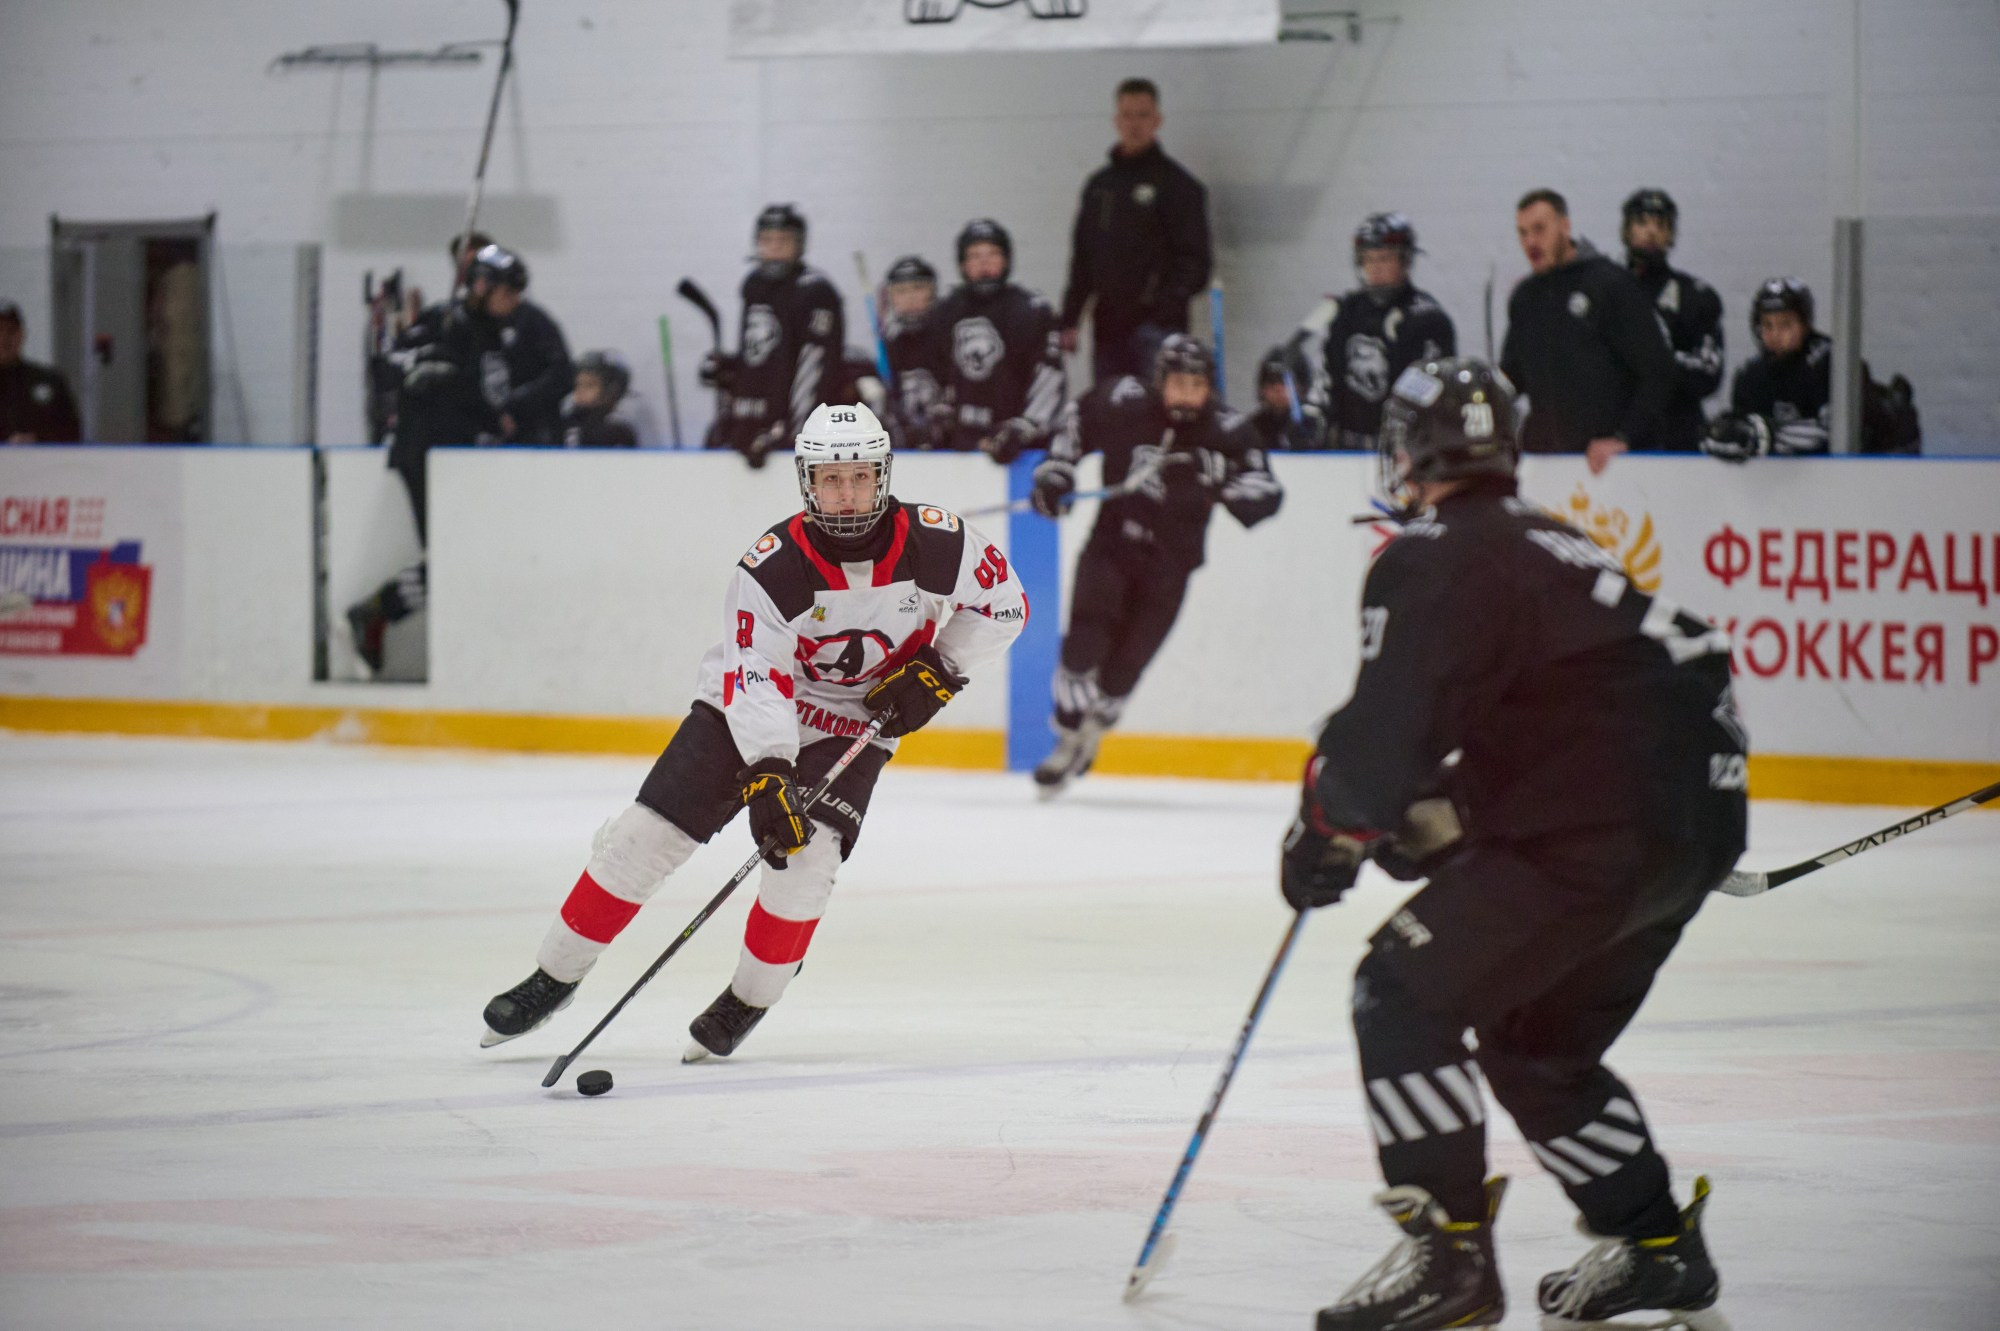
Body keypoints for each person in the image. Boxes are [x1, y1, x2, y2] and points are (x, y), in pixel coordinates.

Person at [1280, 356, 1744, 1331]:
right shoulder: (1553, 543)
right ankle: (1654, 1244)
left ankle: (1445, 1257)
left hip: (1594, 830)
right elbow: (1578, 705)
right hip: (1684, 818)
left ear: (1407, 447)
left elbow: (1381, 738)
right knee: (1537, 1043)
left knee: (1399, 992)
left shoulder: (1432, 550)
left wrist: (1327, 828)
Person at [480, 401, 1026, 1059]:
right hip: (748, 710)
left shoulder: (940, 542)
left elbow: (1004, 606)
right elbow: (758, 673)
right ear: (806, 481)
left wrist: (940, 667)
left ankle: (751, 996)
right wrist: (771, 768)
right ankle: (554, 975)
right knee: (642, 837)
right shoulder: (773, 565)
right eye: (831, 478)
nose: (847, 494)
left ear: (883, 475)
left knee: (807, 863)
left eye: (859, 477)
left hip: (854, 720)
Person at [1028, 335, 1282, 793]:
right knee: (1083, 644)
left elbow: (1266, 493)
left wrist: (1223, 480)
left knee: (1125, 667)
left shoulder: (1227, 431)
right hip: (1111, 548)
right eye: (1178, 383)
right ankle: (1066, 738)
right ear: (1159, 381)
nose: (1187, 394)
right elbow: (1073, 425)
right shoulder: (1124, 400)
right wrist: (1055, 474)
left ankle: (1092, 733)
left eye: (1197, 384)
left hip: (1171, 567)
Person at [345, 244, 521, 677]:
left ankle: (379, 610)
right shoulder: (444, 322)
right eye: (507, 292)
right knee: (451, 557)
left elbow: (487, 399)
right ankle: (379, 610)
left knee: (465, 556)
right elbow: (387, 366)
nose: (513, 302)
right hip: (426, 454)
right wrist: (426, 362)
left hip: (464, 461)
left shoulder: (495, 335)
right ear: (481, 286)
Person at [1501, 189, 1675, 474]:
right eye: (1522, 233)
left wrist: (1624, 437)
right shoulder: (1525, 297)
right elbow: (1513, 374)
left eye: (1539, 229)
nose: (1530, 242)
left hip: (1612, 467)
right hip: (1548, 466)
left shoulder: (1611, 284)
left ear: (1565, 226)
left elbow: (1659, 372)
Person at [1059, 78, 1213, 387]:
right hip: (1108, 327)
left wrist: (1163, 306)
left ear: (1157, 120)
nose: (1134, 124)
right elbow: (1083, 259)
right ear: (1116, 121)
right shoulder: (1100, 187)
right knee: (1111, 413)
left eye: (1143, 115)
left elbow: (1197, 263)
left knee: (1156, 413)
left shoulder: (1179, 186)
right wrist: (1070, 319)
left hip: (1157, 329)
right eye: (1127, 115)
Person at [700, 204, 844, 469]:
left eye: (783, 240)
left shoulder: (815, 291)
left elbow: (813, 370)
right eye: (766, 240)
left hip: (785, 433)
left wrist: (796, 435)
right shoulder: (754, 284)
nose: (774, 248)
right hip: (748, 425)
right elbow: (760, 356)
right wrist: (729, 370)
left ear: (799, 245)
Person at [1310, 213, 1456, 452]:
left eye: (1385, 258)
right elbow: (1327, 371)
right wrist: (1314, 410)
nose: (1375, 267)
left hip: (1407, 451)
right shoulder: (1346, 312)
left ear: (1405, 261)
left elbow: (1435, 388)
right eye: (1368, 259)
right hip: (1348, 449)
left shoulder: (1427, 318)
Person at [928, 220, 1066, 461]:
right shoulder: (946, 311)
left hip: (1021, 448)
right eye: (975, 255)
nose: (984, 262)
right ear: (963, 263)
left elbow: (1050, 378)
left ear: (1007, 260)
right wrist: (940, 419)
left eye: (993, 254)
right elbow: (938, 374)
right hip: (961, 447)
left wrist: (1023, 428)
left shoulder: (1031, 310)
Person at [1620, 189, 1724, 452]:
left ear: (1671, 234)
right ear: (1627, 230)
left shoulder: (1696, 296)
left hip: (1678, 438)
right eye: (1642, 222)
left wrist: (1653, 363)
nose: (1651, 231)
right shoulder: (1605, 291)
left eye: (1661, 224)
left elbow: (1709, 373)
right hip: (1617, 438)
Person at [1702, 278, 1829, 461]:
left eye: (1785, 324)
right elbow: (1744, 431)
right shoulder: (1751, 375)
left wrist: (1765, 435)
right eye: (1767, 325)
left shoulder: (1831, 365)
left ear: (1804, 325)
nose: (1775, 334)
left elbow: (1832, 433)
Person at [878, 255, 946, 449]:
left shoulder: (950, 339)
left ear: (932, 292)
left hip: (948, 449)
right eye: (901, 291)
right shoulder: (890, 345)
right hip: (904, 449)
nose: (910, 297)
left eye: (918, 288)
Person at [0, 302, 83, 444]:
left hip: (43, 462)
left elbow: (72, 431)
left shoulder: (48, 381)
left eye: (11, 331)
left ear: (21, 334)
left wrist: (37, 439)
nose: (4, 339)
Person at [1249, 345, 1329, 451]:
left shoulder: (1316, 421)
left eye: (1285, 381)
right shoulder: (1254, 426)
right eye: (1271, 381)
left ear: (1303, 387)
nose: (1278, 388)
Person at [561, 351, 638, 449]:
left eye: (589, 385)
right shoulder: (569, 422)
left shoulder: (618, 430)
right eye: (578, 384)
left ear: (612, 390)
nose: (580, 391)